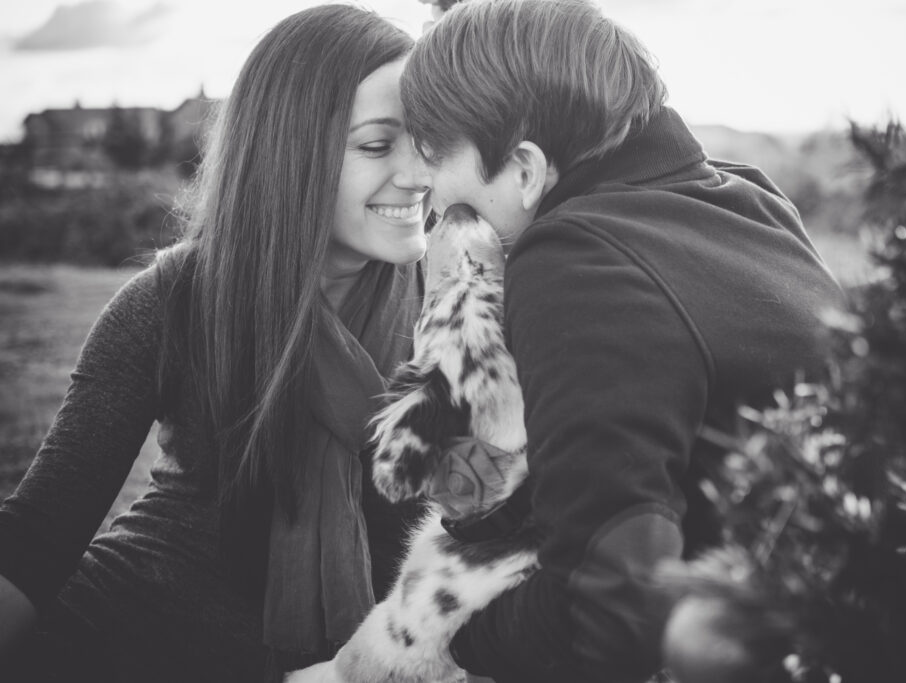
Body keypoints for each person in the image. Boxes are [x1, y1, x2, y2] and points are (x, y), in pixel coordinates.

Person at [400, 0, 847, 681]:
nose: (427, 192)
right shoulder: (746, 198)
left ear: (524, 167)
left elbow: (614, 605)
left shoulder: (575, 258)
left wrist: (453, 640)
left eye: (434, 152)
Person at [0, 5, 429, 681]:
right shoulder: (170, 300)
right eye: (378, 145)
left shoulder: (455, 307)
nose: (418, 174)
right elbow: (35, 541)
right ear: (294, 148)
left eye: (425, 139)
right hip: (129, 642)